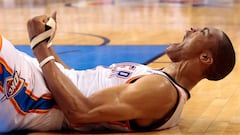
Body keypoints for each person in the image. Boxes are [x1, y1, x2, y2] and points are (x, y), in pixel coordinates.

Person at [0, 12, 235, 133]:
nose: (190, 29)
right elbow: (75, 80)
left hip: (31, 97)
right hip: (35, 83)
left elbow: (80, 111)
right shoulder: (156, 78)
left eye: (201, 32)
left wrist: (39, 45)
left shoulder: (163, 92)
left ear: (205, 58)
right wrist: (48, 44)